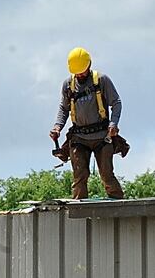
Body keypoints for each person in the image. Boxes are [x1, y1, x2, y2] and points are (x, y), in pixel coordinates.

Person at [48, 47, 125, 200]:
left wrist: (113, 123)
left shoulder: (101, 80)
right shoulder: (68, 85)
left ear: (89, 65)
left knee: (107, 175)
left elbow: (116, 102)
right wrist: (57, 127)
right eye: (78, 72)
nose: (81, 74)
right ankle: (79, 209)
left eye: (83, 71)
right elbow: (64, 109)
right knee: (79, 177)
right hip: (79, 137)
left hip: (103, 137)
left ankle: (118, 205)